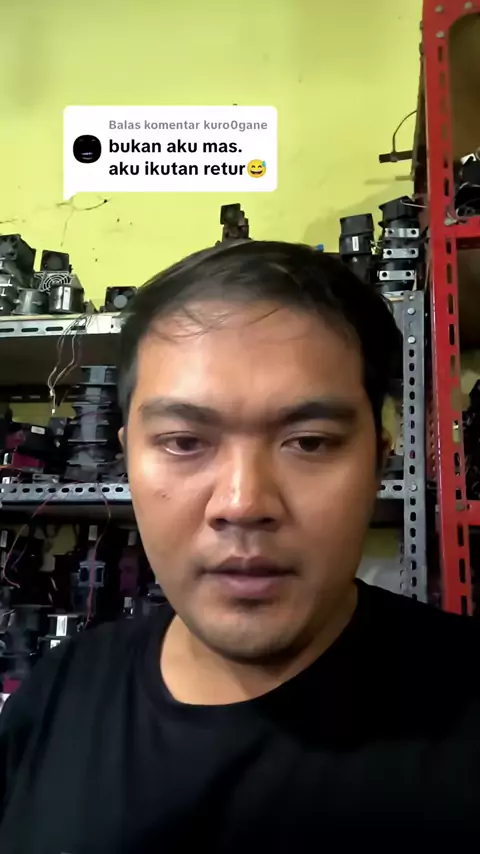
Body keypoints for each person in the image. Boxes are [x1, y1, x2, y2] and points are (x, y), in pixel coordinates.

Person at [1, 240, 479, 853]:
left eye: (309, 442)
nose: (243, 503)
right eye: (183, 441)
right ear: (128, 460)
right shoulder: (61, 691)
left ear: (378, 462)